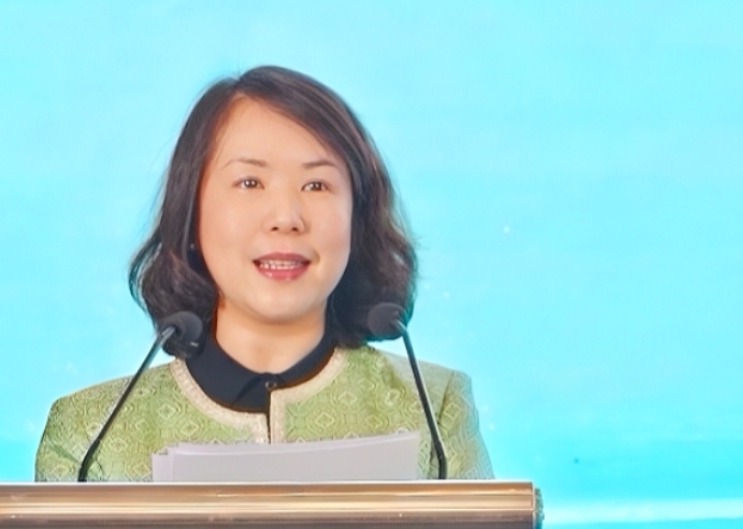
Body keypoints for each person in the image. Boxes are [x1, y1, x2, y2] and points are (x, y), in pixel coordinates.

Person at [35, 66, 493, 481]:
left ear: (357, 217)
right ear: (191, 212)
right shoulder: (91, 436)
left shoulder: (434, 411)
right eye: (250, 182)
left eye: (317, 184)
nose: (286, 217)